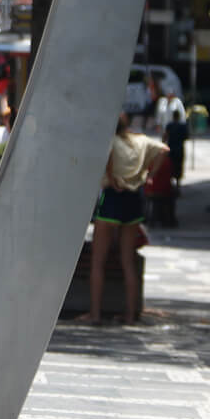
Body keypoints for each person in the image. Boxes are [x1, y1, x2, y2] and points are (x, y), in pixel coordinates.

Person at [78, 113, 167, 325]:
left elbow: (103, 158)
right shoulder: (141, 141)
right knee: (128, 261)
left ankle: (95, 313)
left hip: (111, 198)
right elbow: (165, 150)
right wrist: (149, 173)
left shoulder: (110, 141)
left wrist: (111, 174)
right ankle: (129, 315)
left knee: (98, 261)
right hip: (133, 201)